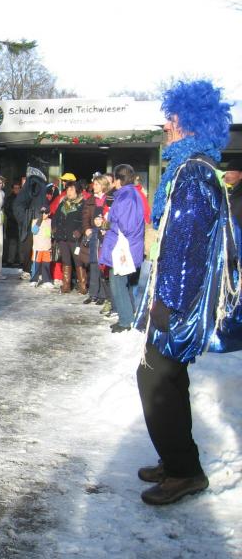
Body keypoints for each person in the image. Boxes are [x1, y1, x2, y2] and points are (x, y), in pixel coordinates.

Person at [134, 80, 234, 505]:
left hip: (179, 302)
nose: (165, 125)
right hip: (182, 298)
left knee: (154, 378)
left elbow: (187, 245)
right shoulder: (194, 167)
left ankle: (184, 472)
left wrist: (168, 302)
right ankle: (178, 461)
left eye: (171, 119)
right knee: (171, 377)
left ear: (191, 122)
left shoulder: (191, 172)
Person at [99, 165, 144, 332]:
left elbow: (127, 226)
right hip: (125, 246)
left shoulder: (126, 197)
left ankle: (126, 321)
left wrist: (108, 224)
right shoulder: (130, 194)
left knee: (118, 283)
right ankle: (126, 318)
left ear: (118, 180)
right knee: (121, 283)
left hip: (123, 248)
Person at [12, 164, 48, 281]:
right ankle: (35, 270)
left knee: (30, 248)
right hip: (35, 221)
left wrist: (25, 219)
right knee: (37, 247)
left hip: (32, 222)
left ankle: (29, 270)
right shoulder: (41, 187)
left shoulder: (30, 188)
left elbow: (18, 206)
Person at [82, 174, 111, 305]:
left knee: (102, 264)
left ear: (103, 186)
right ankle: (93, 293)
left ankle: (103, 294)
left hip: (105, 234)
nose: (94, 186)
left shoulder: (109, 199)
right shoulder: (90, 200)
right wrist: (86, 228)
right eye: (94, 184)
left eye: (97, 184)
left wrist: (104, 224)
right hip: (93, 233)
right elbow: (84, 217)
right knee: (93, 263)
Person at [52, 180, 85, 294]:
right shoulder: (63, 203)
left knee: (78, 261)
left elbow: (85, 220)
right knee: (66, 260)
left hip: (75, 238)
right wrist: (54, 229)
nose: (69, 192)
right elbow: (55, 218)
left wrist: (80, 231)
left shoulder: (82, 204)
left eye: (71, 189)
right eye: (67, 189)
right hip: (62, 237)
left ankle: (82, 285)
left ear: (77, 191)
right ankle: (66, 285)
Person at [3, 181, 21, 267]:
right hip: (12, 223)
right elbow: (7, 210)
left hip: (20, 223)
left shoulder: (23, 197)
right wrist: (14, 218)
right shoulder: (9, 198)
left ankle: (20, 260)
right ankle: (10, 260)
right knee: (12, 242)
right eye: (15, 188)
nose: (16, 190)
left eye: (18, 188)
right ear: (12, 189)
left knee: (21, 242)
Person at [223, 156, 242, 226]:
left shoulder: (239, 196)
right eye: (226, 172)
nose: (227, 176)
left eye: (231, 173)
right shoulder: (228, 191)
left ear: (241, 175)